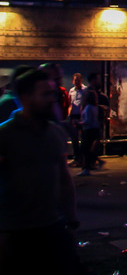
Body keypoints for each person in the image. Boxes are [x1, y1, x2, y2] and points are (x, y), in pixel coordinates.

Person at [0, 69, 82, 274]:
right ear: (25, 97)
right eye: (45, 94)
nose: (52, 99)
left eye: (52, 93)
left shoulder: (55, 133)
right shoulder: (5, 135)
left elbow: (63, 177)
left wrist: (71, 219)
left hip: (53, 226)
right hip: (15, 232)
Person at [77, 90, 100, 176]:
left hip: (88, 130)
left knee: (84, 149)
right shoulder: (95, 107)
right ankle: (89, 166)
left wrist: (78, 123)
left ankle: (86, 168)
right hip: (94, 129)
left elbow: (87, 121)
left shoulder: (88, 108)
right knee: (88, 149)